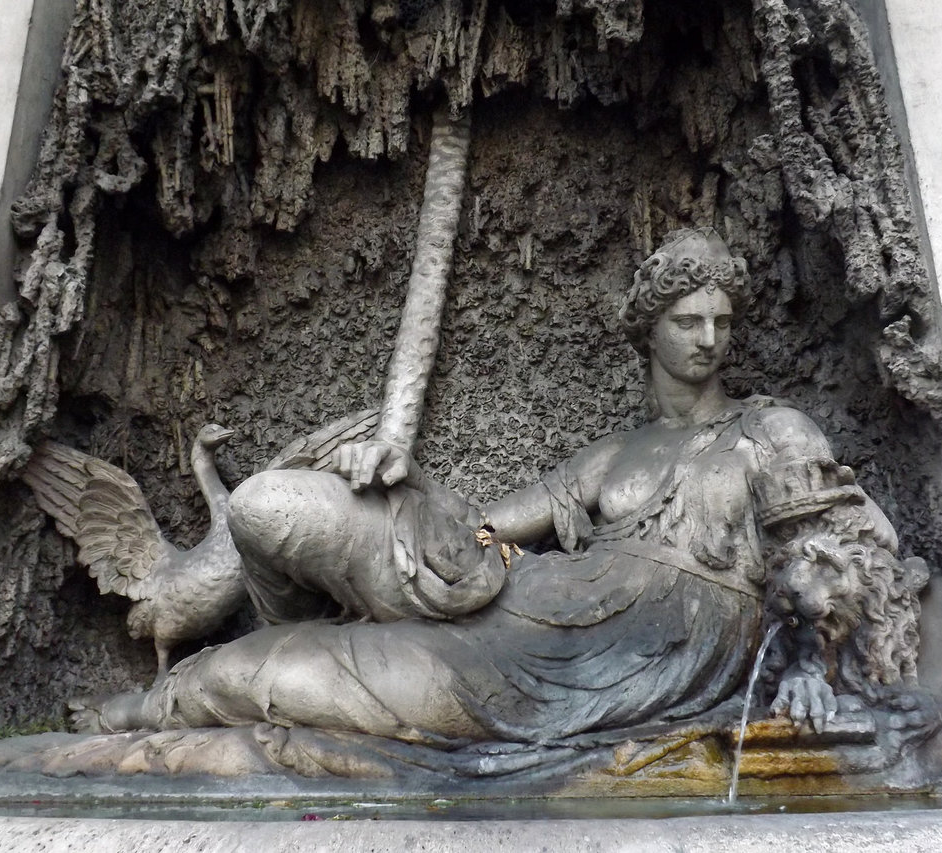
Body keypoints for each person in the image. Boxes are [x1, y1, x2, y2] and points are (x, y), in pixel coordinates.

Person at [74, 228, 897, 741]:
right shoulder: (608, 454)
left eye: (723, 320)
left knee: (305, 675)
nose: (711, 338)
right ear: (647, 331)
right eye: (689, 319)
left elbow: (833, 555)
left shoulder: (774, 428)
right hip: (536, 609)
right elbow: (483, 532)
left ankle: (161, 708)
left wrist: (808, 666)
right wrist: (405, 483)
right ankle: (175, 693)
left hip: (646, 655)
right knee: (269, 503)